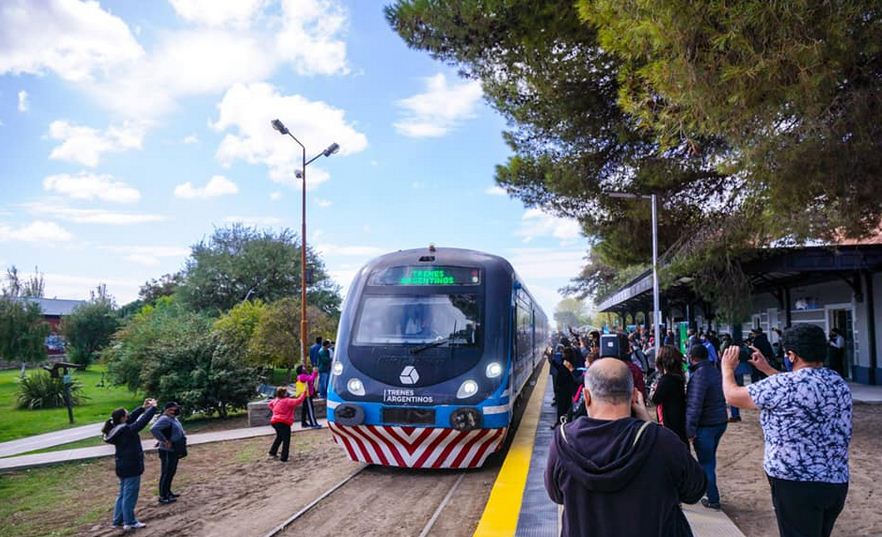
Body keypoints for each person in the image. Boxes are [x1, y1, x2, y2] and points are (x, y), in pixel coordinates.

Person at [545, 358, 706, 537]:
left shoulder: (563, 442)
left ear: (587, 396)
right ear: (634, 395)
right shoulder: (662, 442)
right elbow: (695, 489)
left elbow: (557, 495)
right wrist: (648, 422)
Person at [722, 324, 852, 537]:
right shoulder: (837, 382)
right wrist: (767, 370)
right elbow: (798, 388)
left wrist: (727, 368)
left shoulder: (782, 385)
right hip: (835, 479)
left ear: (792, 355)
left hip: (795, 482)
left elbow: (732, 396)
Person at [102, 398, 158, 531]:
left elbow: (132, 418)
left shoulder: (116, 429)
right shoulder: (126, 430)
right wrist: (153, 408)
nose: (129, 416)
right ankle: (130, 522)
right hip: (131, 466)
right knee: (130, 496)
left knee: (122, 494)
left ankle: (118, 520)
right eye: (126, 415)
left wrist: (143, 408)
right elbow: (141, 423)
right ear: (122, 418)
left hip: (121, 465)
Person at [685, 344, 728, 509]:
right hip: (719, 421)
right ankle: (710, 493)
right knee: (710, 460)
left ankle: (712, 498)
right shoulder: (714, 371)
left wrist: (690, 429)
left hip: (706, 424)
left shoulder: (699, 376)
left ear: (692, 358)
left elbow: (694, 405)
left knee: (706, 463)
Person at [151, 401, 187, 504]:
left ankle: (168, 492)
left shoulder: (173, 418)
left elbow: (168, 431)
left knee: (171, 471)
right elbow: (154, 429)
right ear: (168, 410)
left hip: (174, 448)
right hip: (167, 450)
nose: (177, 410)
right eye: (175, 408)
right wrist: (164, 440)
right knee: (166, 472)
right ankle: (163, 496)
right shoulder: (165, 419)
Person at [650, 346, 688, 444]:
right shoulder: (679, 378)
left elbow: (656, 399)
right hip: (679, 417)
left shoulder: (666, 380)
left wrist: (654, 390)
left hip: (669, 420)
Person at [268, 386, 307, 462]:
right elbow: (299, 401)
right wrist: (304, 393)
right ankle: (284, 457)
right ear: (284, 394)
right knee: (286, 440)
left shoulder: (276, 400)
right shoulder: (287, 401)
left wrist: (274, 411)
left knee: (279, 437)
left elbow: (269, 404)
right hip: (283, 422)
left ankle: (272, 452)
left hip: (274, 421)